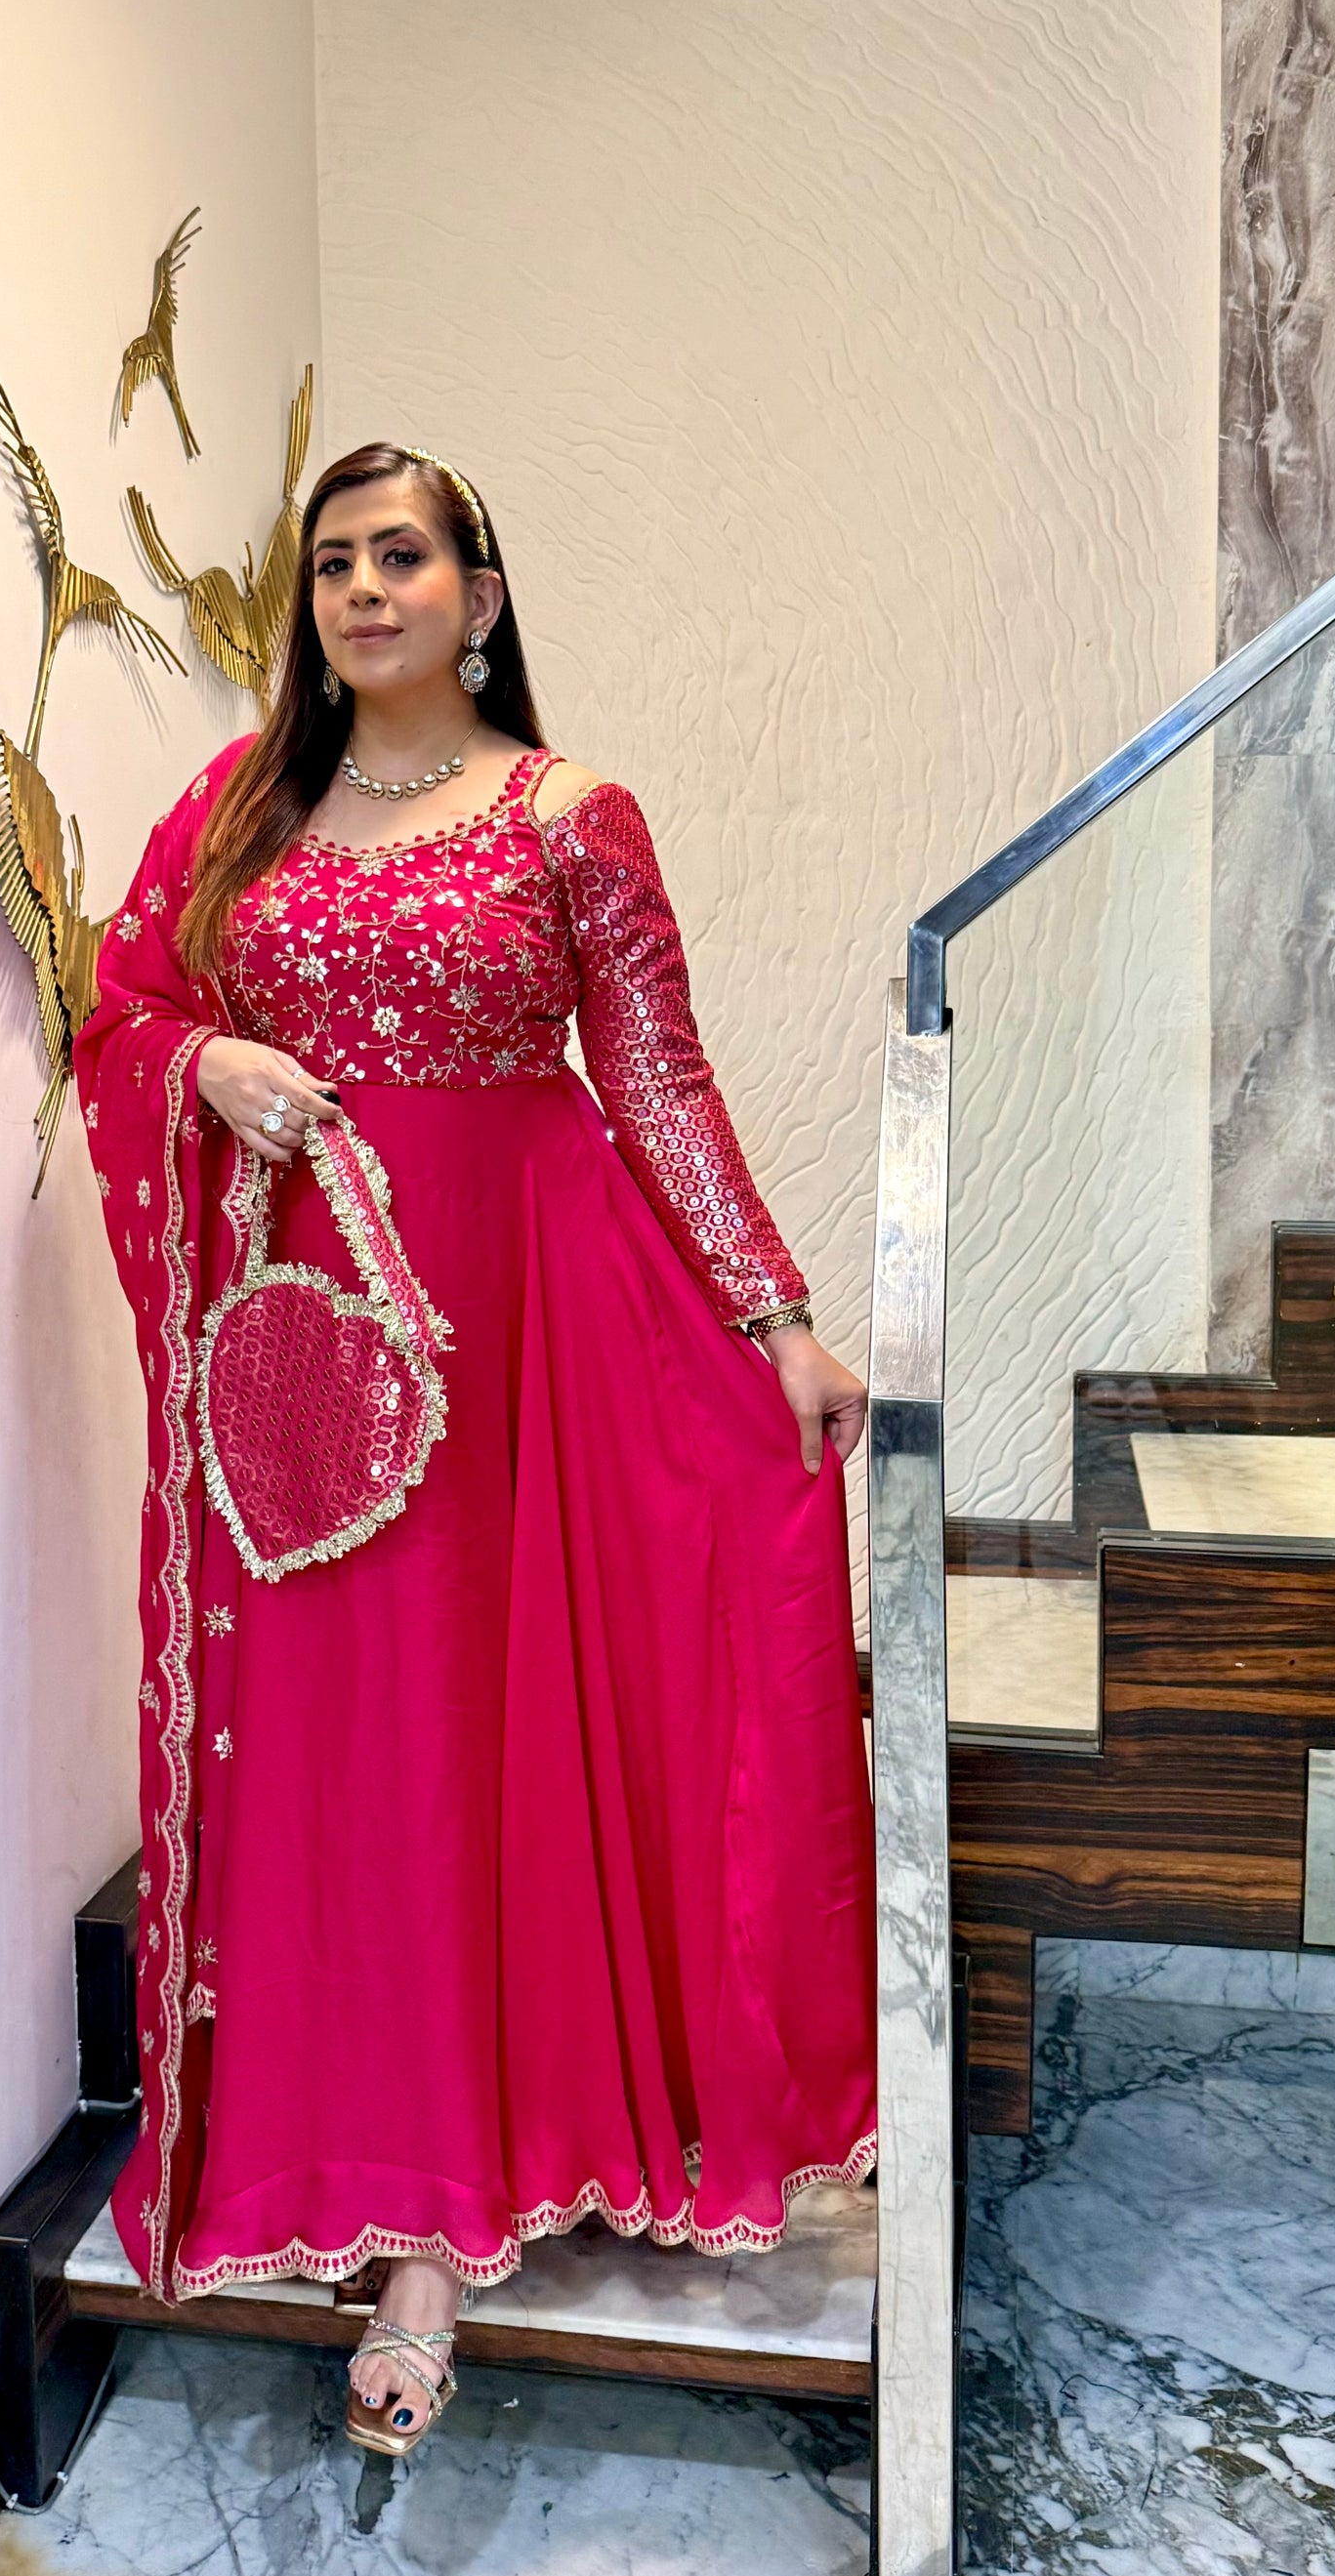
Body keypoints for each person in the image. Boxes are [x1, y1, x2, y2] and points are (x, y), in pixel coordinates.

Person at [79, 440, 875, 2460]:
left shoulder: (567, 814)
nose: (364, 589)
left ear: (481, 595)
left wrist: (770, 1316)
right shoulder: (238, 813)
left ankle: (448, 2224)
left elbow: (655, 1076)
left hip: (528, 1327)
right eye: (334, 562)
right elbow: (123, 1006)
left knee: (482, 1743)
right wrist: (207, 1057)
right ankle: (361, 2170)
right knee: (345, 1752)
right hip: (311, 1347)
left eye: (403, 555)